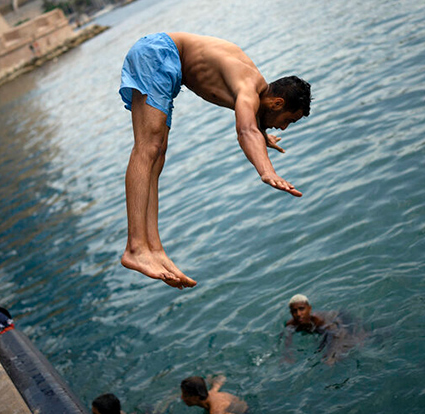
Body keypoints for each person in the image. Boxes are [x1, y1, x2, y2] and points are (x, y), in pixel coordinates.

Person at [119, 32, 312, 289]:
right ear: (277, 103)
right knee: (147, 148)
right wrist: (267, 171)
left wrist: (263, 136)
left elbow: (253, 124)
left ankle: (153, 249)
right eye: (288, 120)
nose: (285, 128)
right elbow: (245, 131)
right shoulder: (247, 88)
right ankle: (135, 246)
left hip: (165, 61)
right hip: (159, 54)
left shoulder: (253, 90)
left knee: (157, 155)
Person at [284, 294, 365, 365]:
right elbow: (286, 339)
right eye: (294, 311)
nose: (298, 314)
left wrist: (330, 354)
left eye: (302, 309)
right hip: (327, 329)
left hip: (340, 318)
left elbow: (334, 333)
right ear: (291, 313)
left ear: (309, 309)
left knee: (351, 344)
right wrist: (287, 354)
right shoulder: (291, 324)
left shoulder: (318, 321)